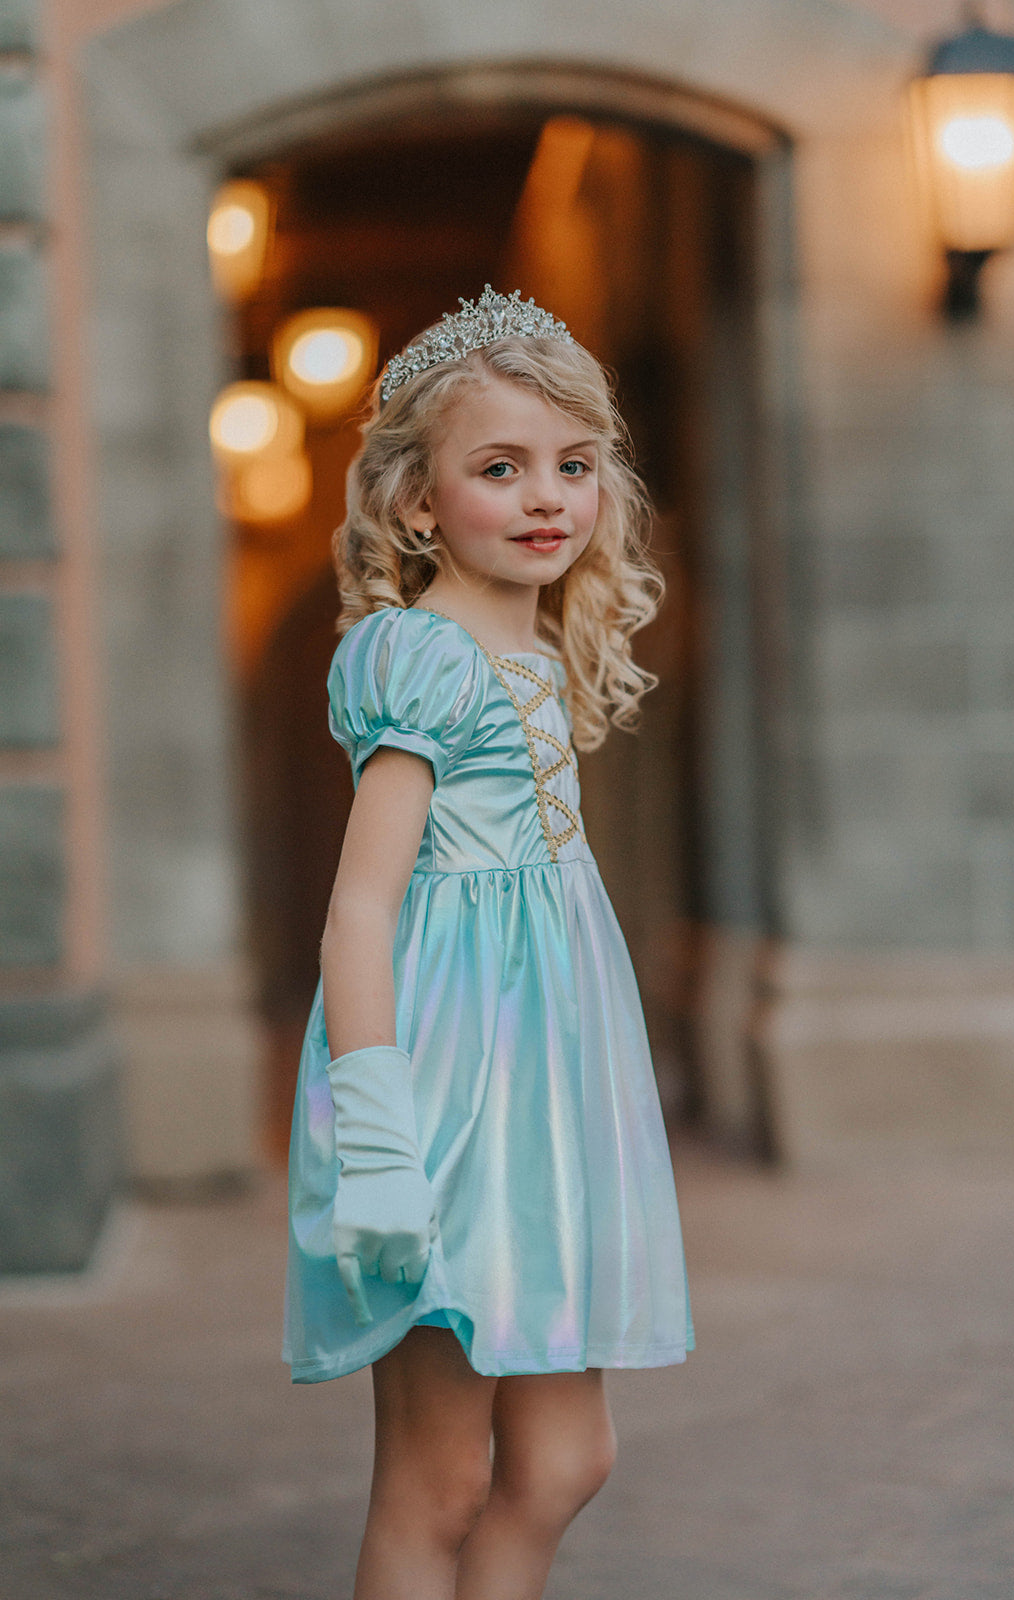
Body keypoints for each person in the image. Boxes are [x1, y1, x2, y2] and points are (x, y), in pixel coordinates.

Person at [283, 285, 695, 1600]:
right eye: (499, 468)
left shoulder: (534, 651)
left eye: (574, 467)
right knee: (441, 1475)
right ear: (418, 502)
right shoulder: (423, 654)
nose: (545, 498)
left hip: (551, 1103)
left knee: (564, 1460)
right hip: (448, 1091)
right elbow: (362, 906)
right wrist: (382, 1133)